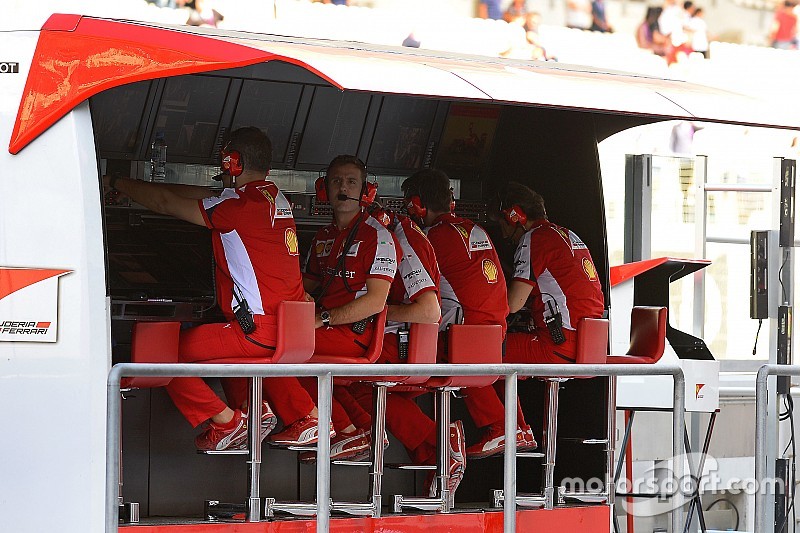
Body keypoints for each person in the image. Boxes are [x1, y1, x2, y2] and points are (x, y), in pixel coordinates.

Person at [102, 127, 322, 451]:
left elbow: (165, 203)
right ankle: (252, 410)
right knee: (213, 336)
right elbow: (200, 194)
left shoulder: (236, 204)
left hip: (255, 332)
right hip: (287, 330)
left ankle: (226, 421)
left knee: (160, 357)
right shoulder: (274, 196)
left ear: (233, 161)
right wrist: (143, 187)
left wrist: (115, 183)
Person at [464, 182, 605, 459]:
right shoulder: (568, 234)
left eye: (503, 224)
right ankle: (517, 429)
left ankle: (503, 429)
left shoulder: (533, 239)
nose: (504, 235)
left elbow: (512, 303)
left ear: (515, 216)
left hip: (559, 345)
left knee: (473, 353)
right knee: (502, 352)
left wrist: (475, 312)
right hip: (588, 347)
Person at [399, 170, 522, 460]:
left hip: (463, 341)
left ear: (416, 204)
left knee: (384, 385)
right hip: (495, 334)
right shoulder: (476, 229)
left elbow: (408, 290)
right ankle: (516, 427)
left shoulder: (428, 238)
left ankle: (441, 448)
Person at [345, 208, 466, 498]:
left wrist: (376, 312)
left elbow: (428, 310)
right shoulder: (404, 232)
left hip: (406, 346)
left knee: (355, 380)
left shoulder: (399, 239)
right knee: (372, 386)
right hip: (407, 344)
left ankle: (437, 441)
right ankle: (432, 454)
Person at [290, 155, 399, 460]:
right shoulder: (323, 236)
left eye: (351, 182)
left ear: (366, 191)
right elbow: (304, 285)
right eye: (336, 181)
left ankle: (343, 431)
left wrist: (323, 318)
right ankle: (360, 430)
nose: (343, 188)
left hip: (355, 333)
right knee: (287, 344)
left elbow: (376, 301)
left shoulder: (377, 235)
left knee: (287, 351)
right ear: (323, 189)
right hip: (324, 328)